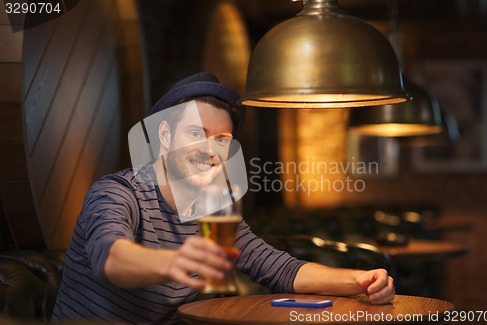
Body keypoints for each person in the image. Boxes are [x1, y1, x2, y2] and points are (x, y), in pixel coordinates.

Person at [51, 72, 394, 324]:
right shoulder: (117, 192)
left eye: (222, 139)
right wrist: (174, 262)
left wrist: (360, 281)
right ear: (166, 136)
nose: (210, 150)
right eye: (195, 134)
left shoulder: (211, 210)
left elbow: (279, 269)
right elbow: (109, 257)